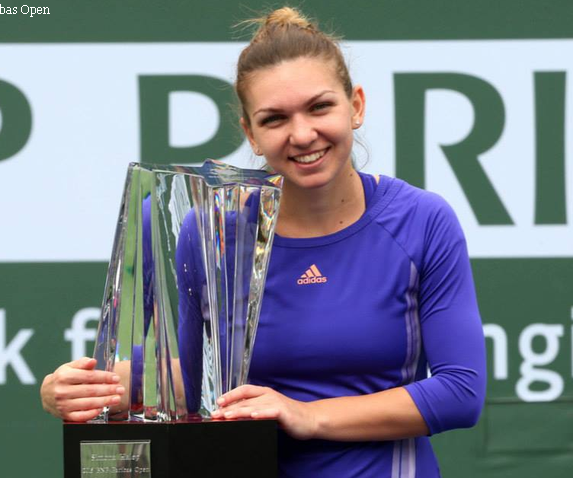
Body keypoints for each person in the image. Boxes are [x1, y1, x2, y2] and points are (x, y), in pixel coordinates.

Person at [41, 7, 486, 477]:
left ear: (355, 106)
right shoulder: (205, 230)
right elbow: (197, 383)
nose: (302, 134)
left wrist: (306, 415)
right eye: (275, 119)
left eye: (320, 107)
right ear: (251, 134)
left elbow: (460, 392)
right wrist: (88, 386)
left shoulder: (421, 220)